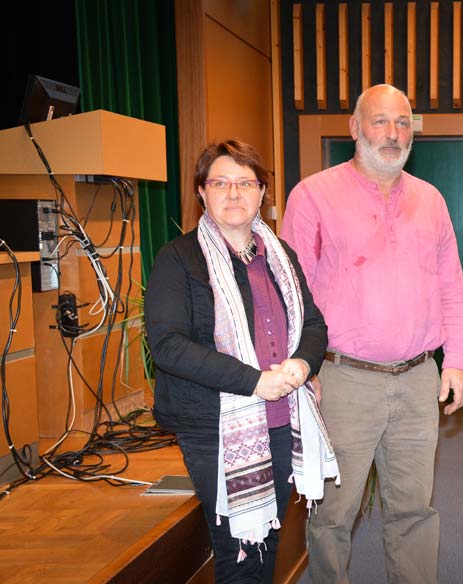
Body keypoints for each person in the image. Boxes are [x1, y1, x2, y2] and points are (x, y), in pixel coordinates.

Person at [281, 83, 463, 584]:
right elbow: (289, 294)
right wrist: (304, 369)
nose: (392, 134)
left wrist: (456, 361)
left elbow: (453, 285)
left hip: (417, 380)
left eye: (403, 123)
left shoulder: (430, 200)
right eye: (380, 121)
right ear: (355, 128)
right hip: (342, 381)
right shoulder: (312, 195)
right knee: (333, 514)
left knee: (414, 511)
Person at [145, 140, 338, 584]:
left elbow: (314, 325)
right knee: (237, 552)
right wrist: (254, 382)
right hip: (214, 426)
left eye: (245, 183)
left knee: (267, 542)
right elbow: (169, 345)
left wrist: (302, 367)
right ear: (201, 192)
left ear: (263, 192)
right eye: (221, 183)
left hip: (280, 417)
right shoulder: (179, 258)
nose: (234, 193)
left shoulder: (281, 257)